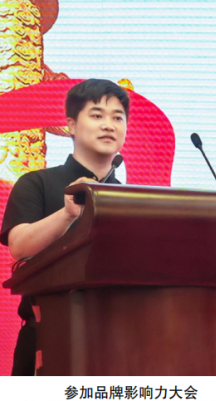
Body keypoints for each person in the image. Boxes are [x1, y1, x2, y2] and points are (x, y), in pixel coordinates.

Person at [0, 79, 128, 375]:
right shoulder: (36, 183)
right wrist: (67, 214)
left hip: (117, 341)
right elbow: (19, 246)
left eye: (117, 117)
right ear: (71, 125)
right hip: (46, 338)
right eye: (97, 115)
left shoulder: (131, 199)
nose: (108, 125)